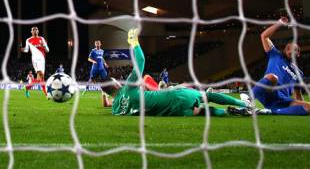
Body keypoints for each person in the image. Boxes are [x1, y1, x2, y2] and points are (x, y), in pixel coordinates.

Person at [101, 28, 252, 116]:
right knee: (206, 96)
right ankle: (243, 103)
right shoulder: (128, 86)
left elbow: (109, 103)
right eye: (115, 81)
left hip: (173, 111)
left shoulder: (116, 110)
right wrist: (134, 42)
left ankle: (230, 112)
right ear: (115, 85)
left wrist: (105, 91)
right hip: (173, 96)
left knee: (200, 111)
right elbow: (140, 61)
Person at [242, 17, 310, 116]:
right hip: (269, 93)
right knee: (272, 77)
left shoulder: (299, 73)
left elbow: (297, 94)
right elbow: (264, 36)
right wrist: (279, 23)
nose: (291, 51)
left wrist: (303, 109)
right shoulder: (275, 55)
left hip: (283, 100)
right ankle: (248, 99)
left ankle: (270, 111)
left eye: (295, 50)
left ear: (298, 54)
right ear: (285, 50)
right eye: (289, 48)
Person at [21, 26, 49, 97]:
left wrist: (44, 46)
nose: (35, 31)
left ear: (38, 31)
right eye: (33, 30)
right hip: (35, 59)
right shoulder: (28, 40)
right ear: (31, 32)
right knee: (40, 74)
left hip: (42, 59)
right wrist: (22, 49)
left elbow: (47, 50)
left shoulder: (41, 39)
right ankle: (46, 94)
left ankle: (27, 88)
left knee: (41, 79)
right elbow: (26, 50)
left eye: (36, 29)